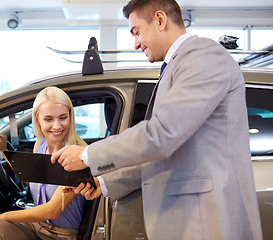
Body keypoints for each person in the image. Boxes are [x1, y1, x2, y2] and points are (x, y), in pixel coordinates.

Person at [51, 0, 263, 239]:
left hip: (204, 223)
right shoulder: (177, 65)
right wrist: (106, 182)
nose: (136, 44)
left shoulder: (203, 55)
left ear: (160, 20)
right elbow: (167, 153)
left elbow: (160, 135)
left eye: (137, 31)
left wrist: (85, 155)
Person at [0, 86, 87, 240]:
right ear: (37, 119)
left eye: (63, 117)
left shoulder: (76, 155)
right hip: (36, 225)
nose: (57, 126)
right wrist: (4, 152)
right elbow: (30, 180)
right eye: (48, 119)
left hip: (60, 235)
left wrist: (4, 216)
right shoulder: (40, 144)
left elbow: (52, 211)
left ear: (70, 116)